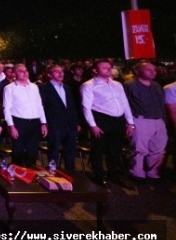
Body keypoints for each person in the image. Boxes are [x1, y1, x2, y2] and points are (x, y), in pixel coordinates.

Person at [81, 59, 135, 188]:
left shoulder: (117, 84)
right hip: (102, 119)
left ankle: (114, 174)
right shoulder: (89, 85)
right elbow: (86, 107)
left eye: (109, 67)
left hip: (118, 119)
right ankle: (99, 175)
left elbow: (125, 103)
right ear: (95, 70)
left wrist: (130, 123)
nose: (108, 69)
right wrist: (93, 125)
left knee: (115, 149)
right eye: (104, 68)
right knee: (98, 149)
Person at [123, 62, 167, 183]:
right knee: (139, 149)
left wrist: (164, 121)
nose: (153, 72)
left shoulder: (156, 85)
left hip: (158, 120)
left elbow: (161, 104)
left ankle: (152, 172)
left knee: (158, 149)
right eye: (148, 70)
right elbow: (124, 104)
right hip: (140, 119)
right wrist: (129, 123)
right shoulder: (130, 85)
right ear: (138, 71)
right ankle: (137, 173)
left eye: (154, 69)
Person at [3, 64, 47, 167]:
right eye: (20, 71)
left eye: (26, 70)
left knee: (33, 151)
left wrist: (43, 123)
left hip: (35, 122)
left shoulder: (34, 86)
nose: (24, 72)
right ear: (14, 74)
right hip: (19, 122)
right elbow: (7, 109)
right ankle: (17, 177)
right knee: (18, 151)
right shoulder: (9, 88)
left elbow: (39, 105)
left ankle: (31, 175)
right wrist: (11, 126)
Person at [39, 65, 80, 172]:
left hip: (69, 125)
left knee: (70, 151)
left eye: (61, 71)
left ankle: (71, 174)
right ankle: (53, 173)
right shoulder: (43, 88)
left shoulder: (67, 88)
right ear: (49, 74)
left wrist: (76, 122)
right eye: (56, 71)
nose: (60, 73)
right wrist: (44, 123)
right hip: (54, 124)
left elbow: (71, 106)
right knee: (54, 150)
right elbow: (41, 106)